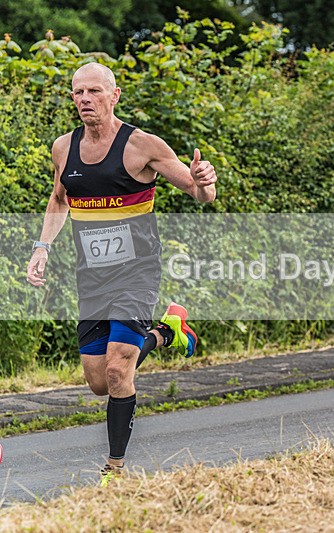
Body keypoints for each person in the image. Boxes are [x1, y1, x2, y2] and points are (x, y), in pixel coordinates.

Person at [26, 62, 217, 476]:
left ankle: (115, 468)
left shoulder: (142, 145)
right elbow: (60, 199)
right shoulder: (64, 147)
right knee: (99, 382)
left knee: (118, 368)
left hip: (137, 273)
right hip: (91, 279)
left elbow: (199, 193)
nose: (84, 100)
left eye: (94, 91)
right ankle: (167, 332)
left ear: (114, 96)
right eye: (78, 93)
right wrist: (43, 246)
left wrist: (204, 180)